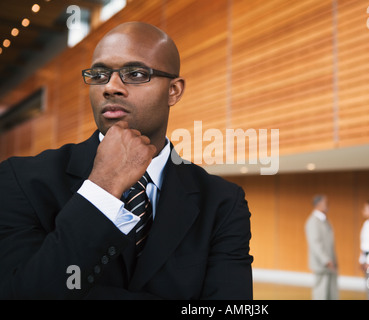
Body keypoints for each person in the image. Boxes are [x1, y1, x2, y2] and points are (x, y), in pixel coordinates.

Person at [0, 22, 253, 299]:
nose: (110, 87)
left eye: (135, 73)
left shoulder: (222, 202)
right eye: (99, 74)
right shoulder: (20, 180)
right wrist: (102, 188)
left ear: (174, 91)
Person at [305, 194, 338, 300]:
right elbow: (315, 243)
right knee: (321, 293)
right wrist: (326, 259)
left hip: (329, 263)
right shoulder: (313, 221)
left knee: (330, 293)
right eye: (325, 202)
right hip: (322, 264)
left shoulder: (324, 220)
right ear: (318, 204)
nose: (328, 205)